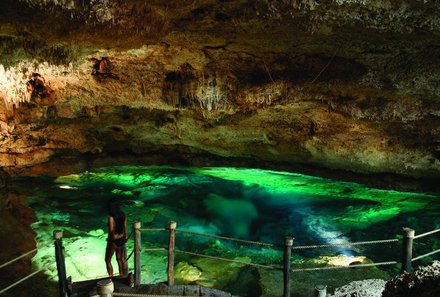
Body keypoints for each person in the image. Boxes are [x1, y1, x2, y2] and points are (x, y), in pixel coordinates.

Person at [105, 199, 128, 277]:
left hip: (113, 241)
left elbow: (112, 232)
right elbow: (125, 227)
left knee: (107, 260)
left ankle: (111, 277)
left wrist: (112, 238)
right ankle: (121, 275)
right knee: (119, 259)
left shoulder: (111, 217)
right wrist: (124, 236)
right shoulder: (123, 215)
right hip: (122, 239)